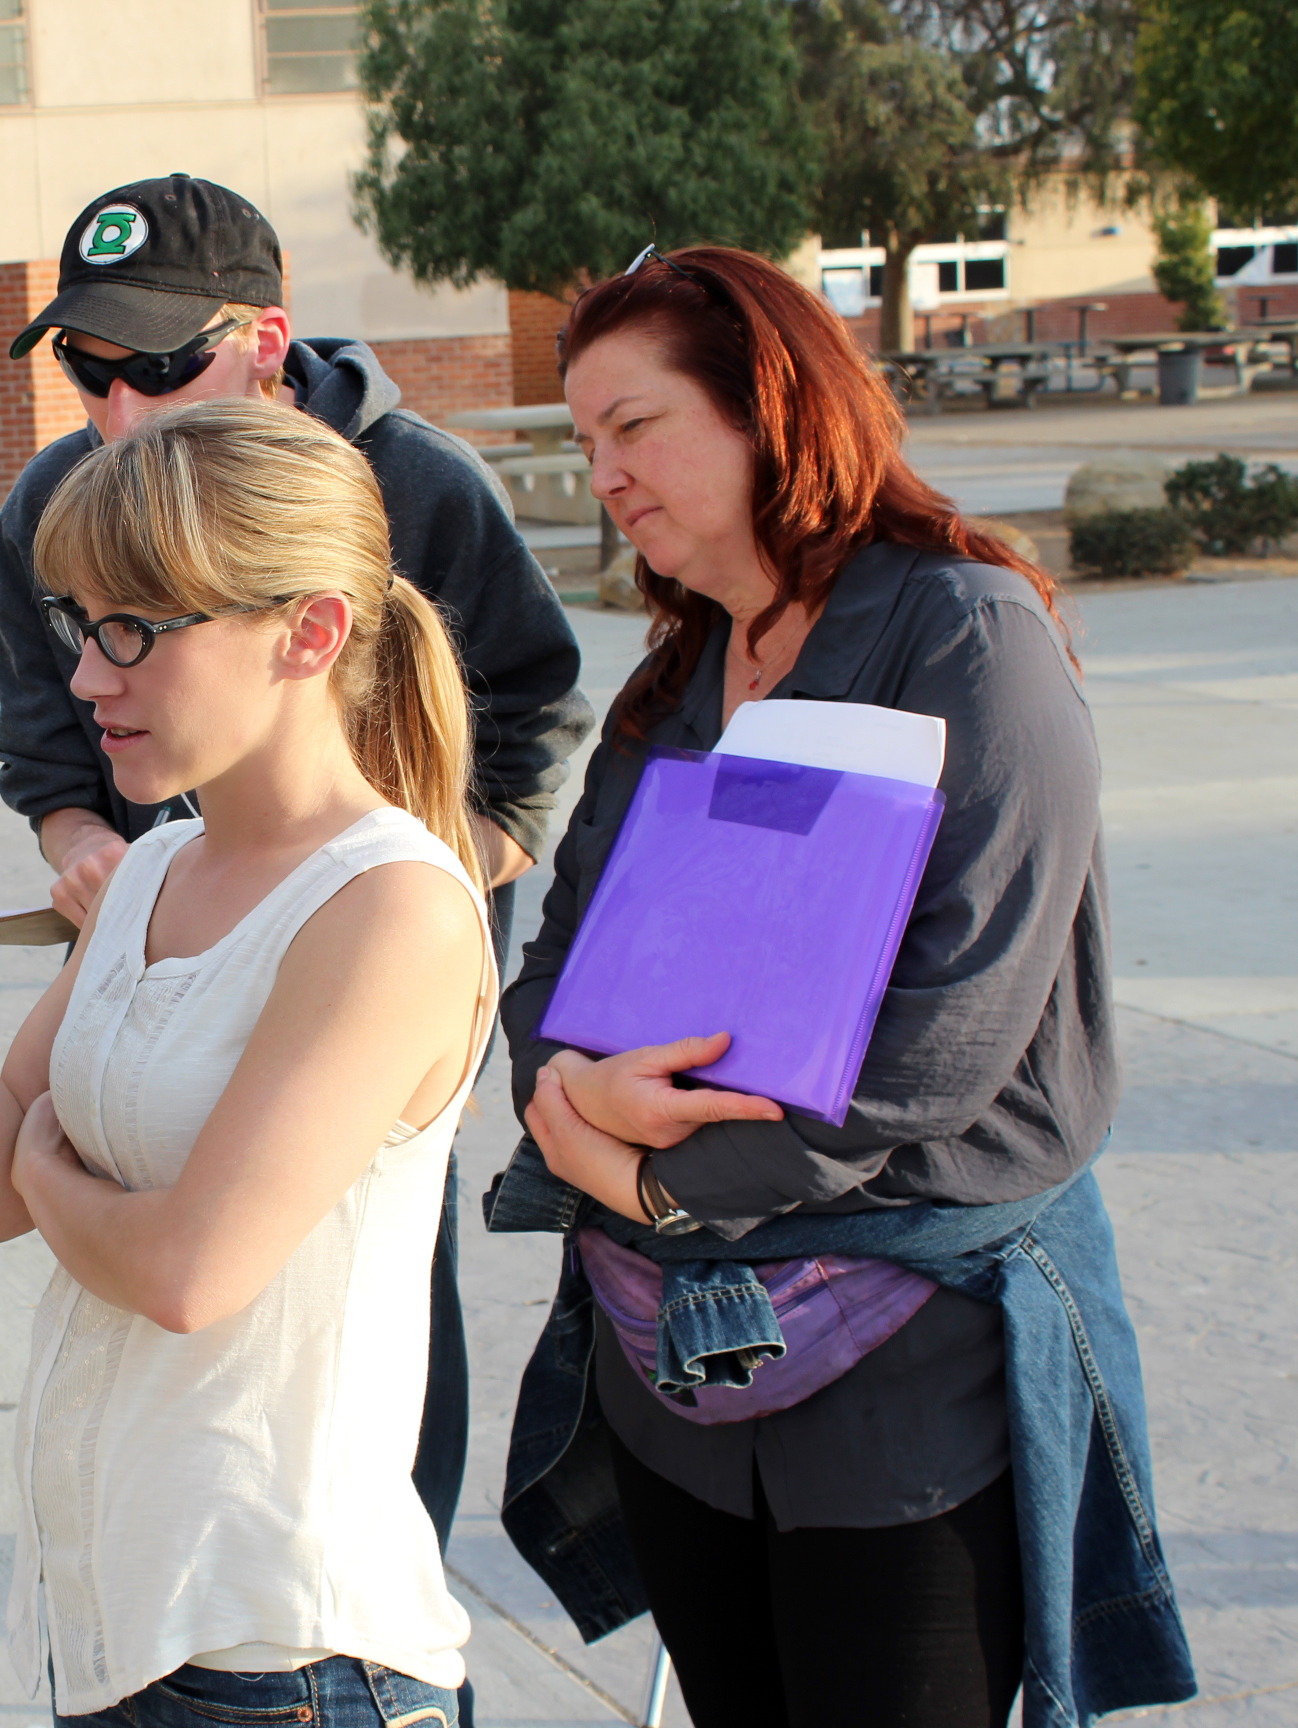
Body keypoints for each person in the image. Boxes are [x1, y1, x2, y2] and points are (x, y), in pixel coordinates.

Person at [488, 247, 1195, 1727]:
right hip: (673, 1375)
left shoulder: (966, 638)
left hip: (908, 1386)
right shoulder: (680, 674)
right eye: (584, 437)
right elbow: (551, 972)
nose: (603, 471)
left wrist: (640, 1176)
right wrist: (567, 1099)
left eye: (636, 425)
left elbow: (938, 1049)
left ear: (770, 410)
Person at [0, 173, 590, 1545]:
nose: (122, 410)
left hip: (341, 1004)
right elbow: (43, 741)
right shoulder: (53, 501)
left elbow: (531, 730)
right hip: (155, 963)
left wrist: (360, 903)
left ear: (267, 342)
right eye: (89, 371)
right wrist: (92, 850)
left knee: (357, 1382)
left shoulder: (420, 484)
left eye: (157, 364)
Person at [0, 397, 493, 1725]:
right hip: (113, 1627)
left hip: (285, 1660)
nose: (89, 679)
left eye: (135, 631)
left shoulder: (387, 909)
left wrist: (48, 1167)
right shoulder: (157, 865)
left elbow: (186, 1272)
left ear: (309, 631)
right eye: (75, 628)